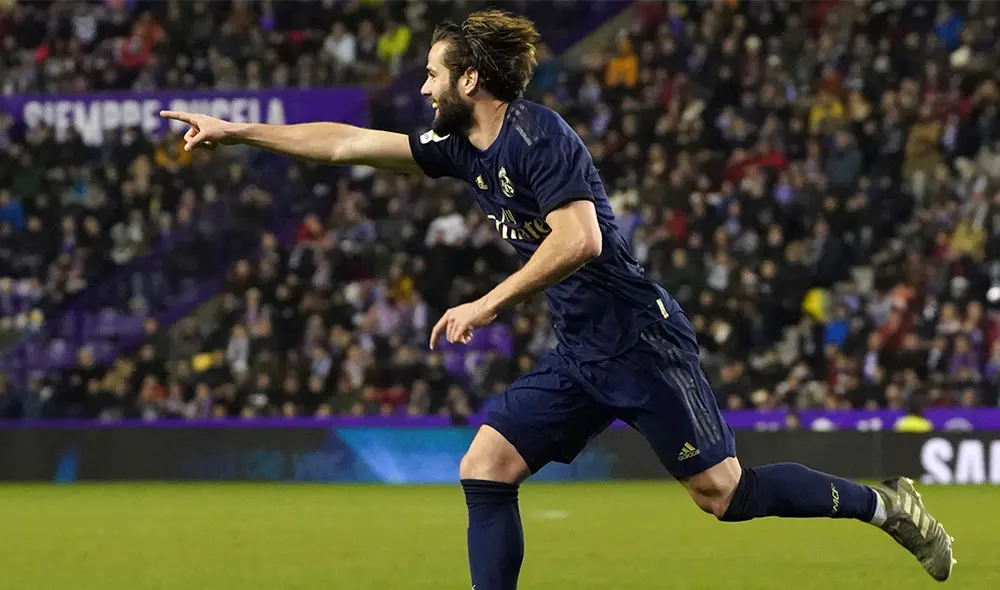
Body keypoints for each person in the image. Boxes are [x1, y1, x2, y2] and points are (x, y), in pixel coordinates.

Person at [160, 10, 955, 588]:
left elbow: (582, 240)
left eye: (434, 72)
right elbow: (343, 144)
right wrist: (235, 130)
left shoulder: (539, 138)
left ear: (470, 80)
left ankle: (886, 508)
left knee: (726, 495)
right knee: (486, 465)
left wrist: (487, 303)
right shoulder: (457, 148)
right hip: (579, 349)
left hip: (640, 342)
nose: (424, 82)